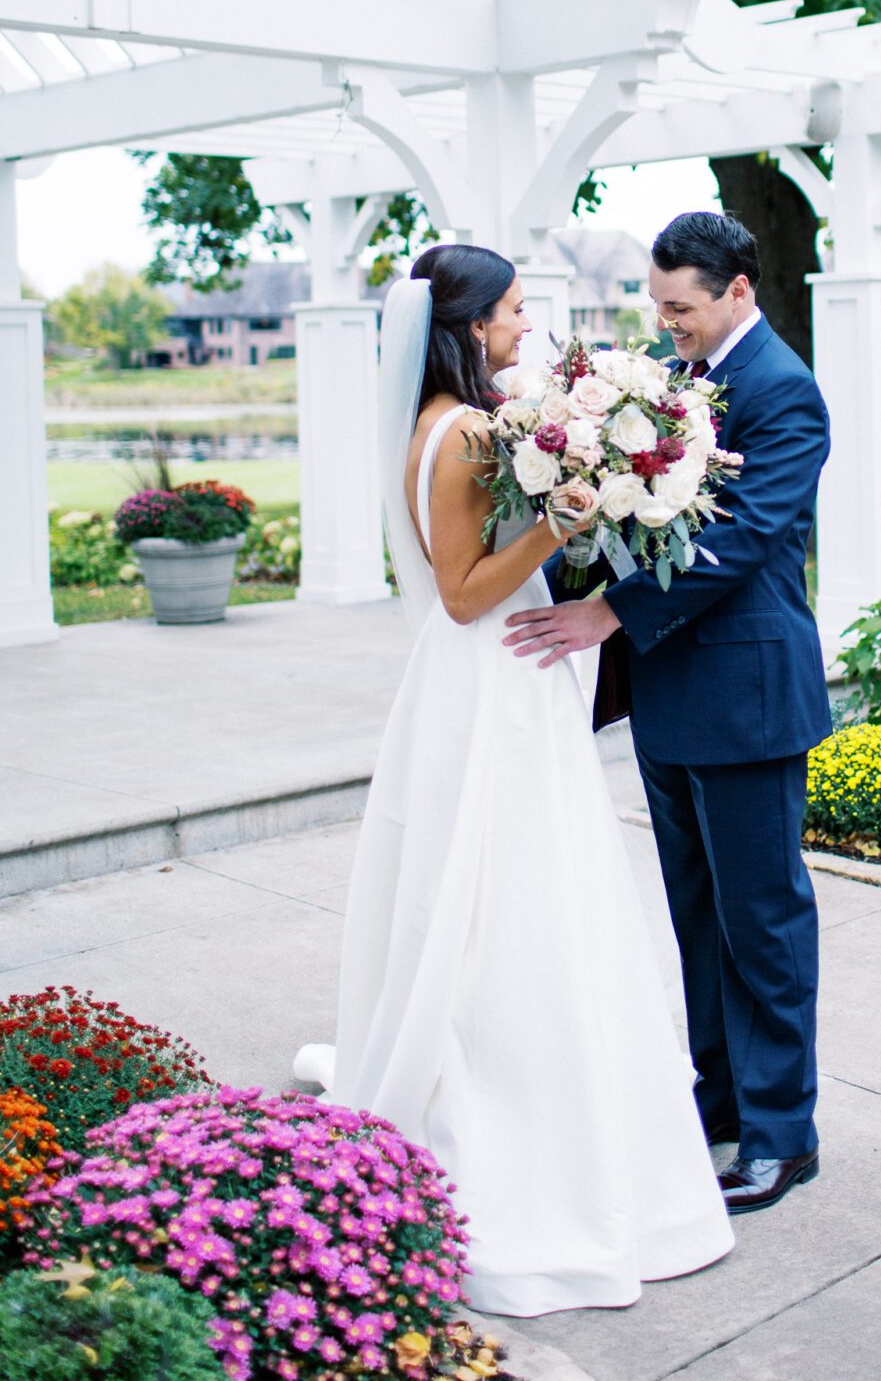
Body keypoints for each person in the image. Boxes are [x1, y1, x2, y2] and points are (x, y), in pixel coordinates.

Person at [294, 242, 732, 1318]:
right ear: (463, 324)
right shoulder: (453, 436)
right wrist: (560, 518)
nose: (521, 329)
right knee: (499, 902)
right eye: (510, 314)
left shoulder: (478, 424)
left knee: (540, 892)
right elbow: (461, 592)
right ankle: (506, 1118)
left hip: (519, 681)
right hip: (484, 683)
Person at [504, 212, 832, 1215]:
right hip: (665, 689)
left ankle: (782, 1134)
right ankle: (718, 1105)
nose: (664, 323)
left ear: (737, 291)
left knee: (761, 919)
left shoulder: (784, 392)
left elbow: (737, 539)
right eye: (655, 305)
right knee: (695, 916)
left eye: (678, 307)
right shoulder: (664, 377)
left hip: (746, 695)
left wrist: (604, 612)